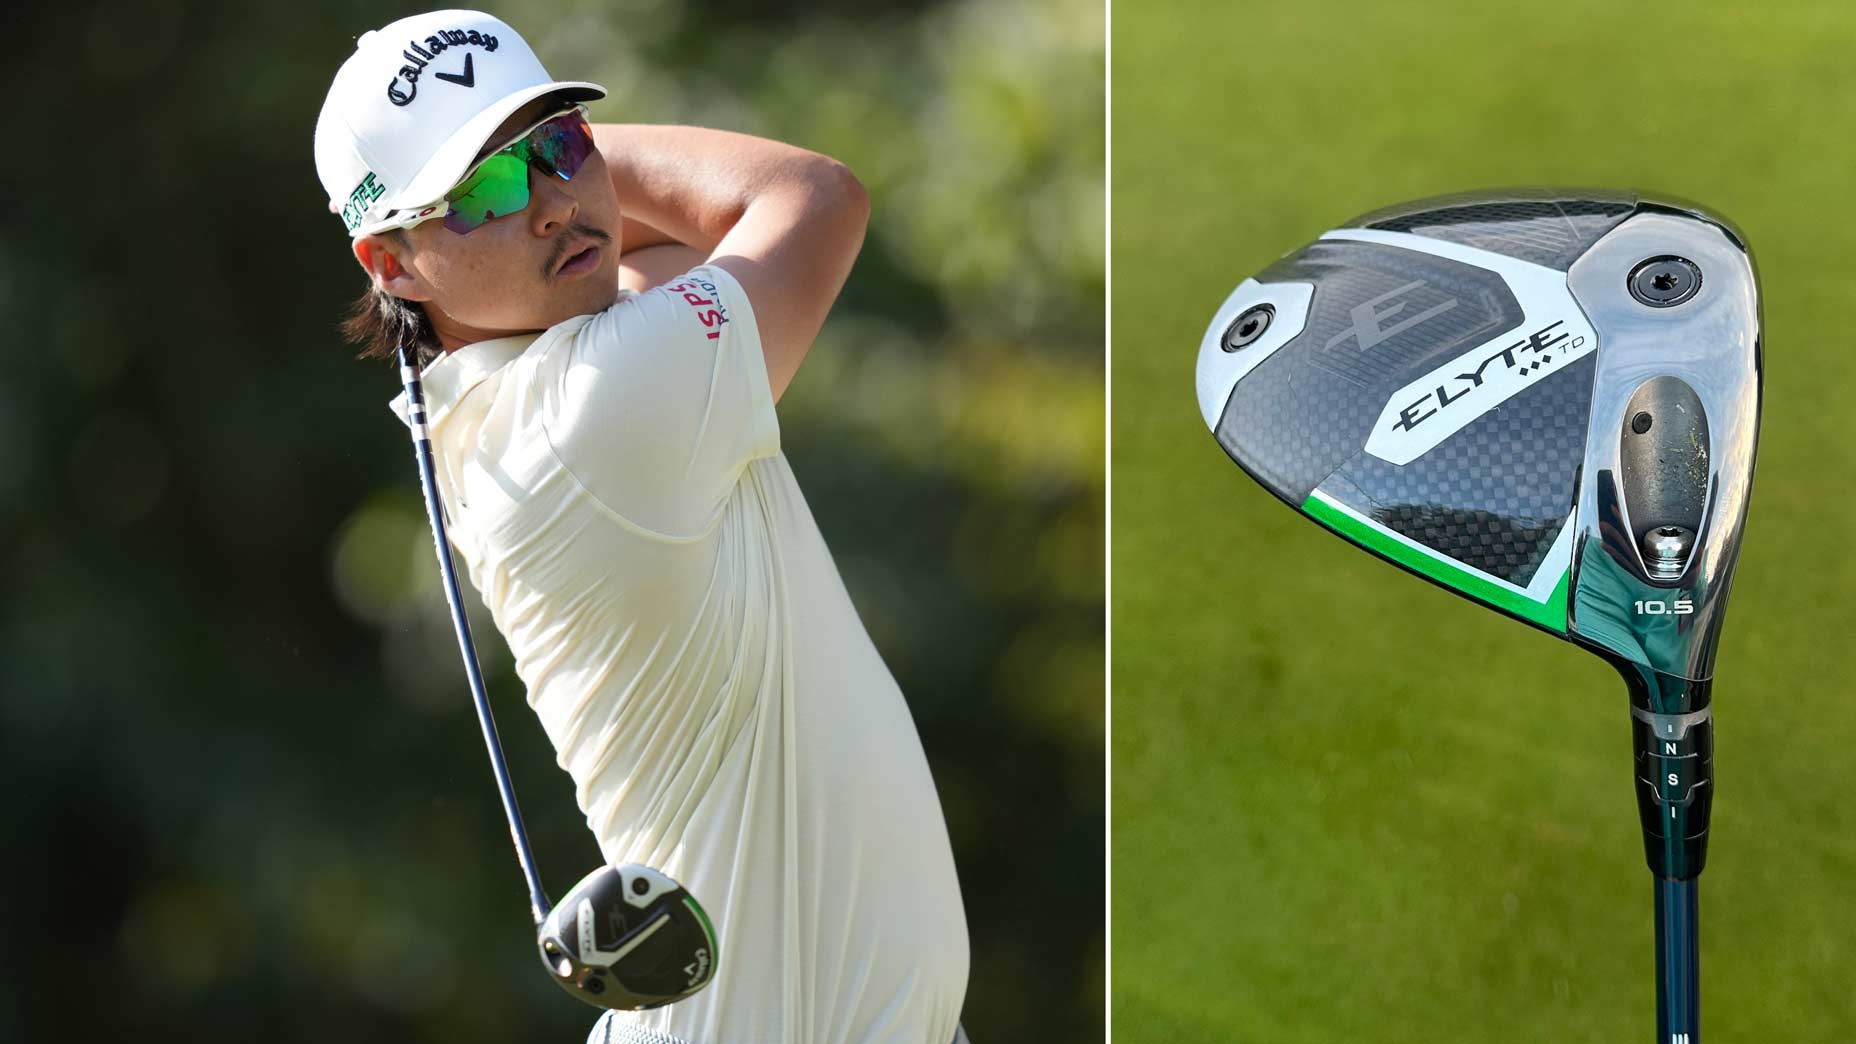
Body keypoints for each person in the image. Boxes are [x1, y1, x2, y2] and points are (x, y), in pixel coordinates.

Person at [313, 11, 970, 1043]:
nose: (544, 204)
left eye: (559, 145)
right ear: (390, 265)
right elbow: (808, 196)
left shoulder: (545, 381)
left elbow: (660, 245)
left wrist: (528, 174)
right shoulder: (601, 408)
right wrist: (572, 167)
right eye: (482, 191)